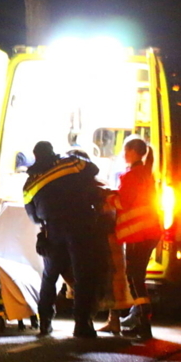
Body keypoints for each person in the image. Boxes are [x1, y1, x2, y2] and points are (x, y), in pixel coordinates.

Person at [23, 141, 103, 338]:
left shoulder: (30, 183)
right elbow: (94, 168)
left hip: (53, 231)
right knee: (82, 275)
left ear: (36, 156)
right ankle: (82, 324)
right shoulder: (71, 162)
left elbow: (33, 217)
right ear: (53, 152)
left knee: (50, 277)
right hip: (81, 225)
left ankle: (45, 323)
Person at [108, 137, 161, 340]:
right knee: (138, 277)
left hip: (138, 234)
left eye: (125, 151)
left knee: (134, 277)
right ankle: (142, 320)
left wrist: (108, 198)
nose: (123, 155)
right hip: (149, 233)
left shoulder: (130, 176)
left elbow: (124, 203)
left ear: (131, 152)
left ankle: (143, 323)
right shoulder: (146, 173)